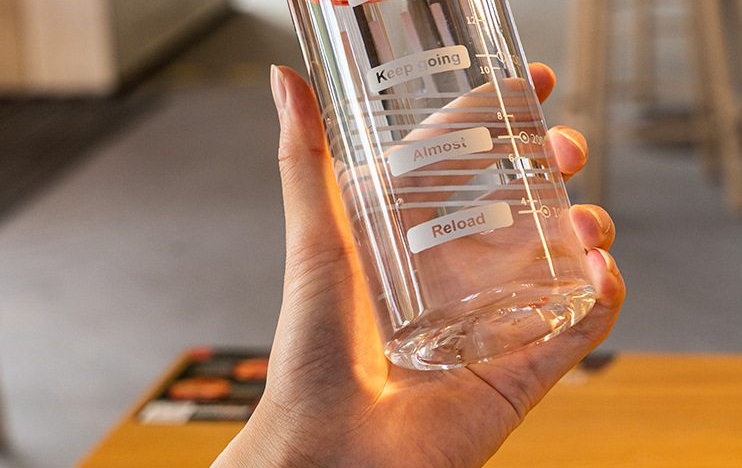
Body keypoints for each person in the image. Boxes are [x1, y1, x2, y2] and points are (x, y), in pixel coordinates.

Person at [212, 63, 625, 468]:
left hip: (512, 312)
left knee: (552, 173)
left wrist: (310, 456)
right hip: (415, 343)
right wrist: (307, 452)